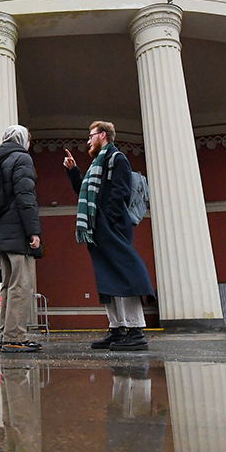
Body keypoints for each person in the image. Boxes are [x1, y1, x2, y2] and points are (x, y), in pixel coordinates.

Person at [64, 121, 155, 351]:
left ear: (103, 135)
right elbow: (85, 192)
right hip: (98, 226)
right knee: (106, 276)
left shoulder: (117, 158)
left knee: (125, 272)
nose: (88, 141)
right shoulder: (97, 164)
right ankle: (117, 329)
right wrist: (74, 172)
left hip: (111, 226)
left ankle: (135, 330)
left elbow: (120, 192)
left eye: (91, 136)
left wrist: (109, 220)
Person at [0, 125, 44, 353]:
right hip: (18, 232)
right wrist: (34, 231)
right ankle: (15, 337)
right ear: (22, 140)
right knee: (21, 285)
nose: (29, 146)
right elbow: (26, 197)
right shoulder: (21, 159)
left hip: (1, 233)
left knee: (8, 285)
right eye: (28, 141)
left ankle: (6, 333)